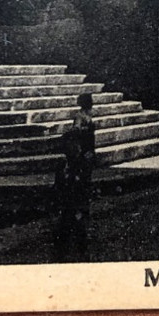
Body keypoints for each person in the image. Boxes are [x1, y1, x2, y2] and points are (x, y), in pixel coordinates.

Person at [54, 92, 97, 262]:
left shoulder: (84, 115)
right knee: (80, 185)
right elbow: (79, 133)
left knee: (81, 184)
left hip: (84, 154)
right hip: (85, 154)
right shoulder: (84, 116)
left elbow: (78, 132)